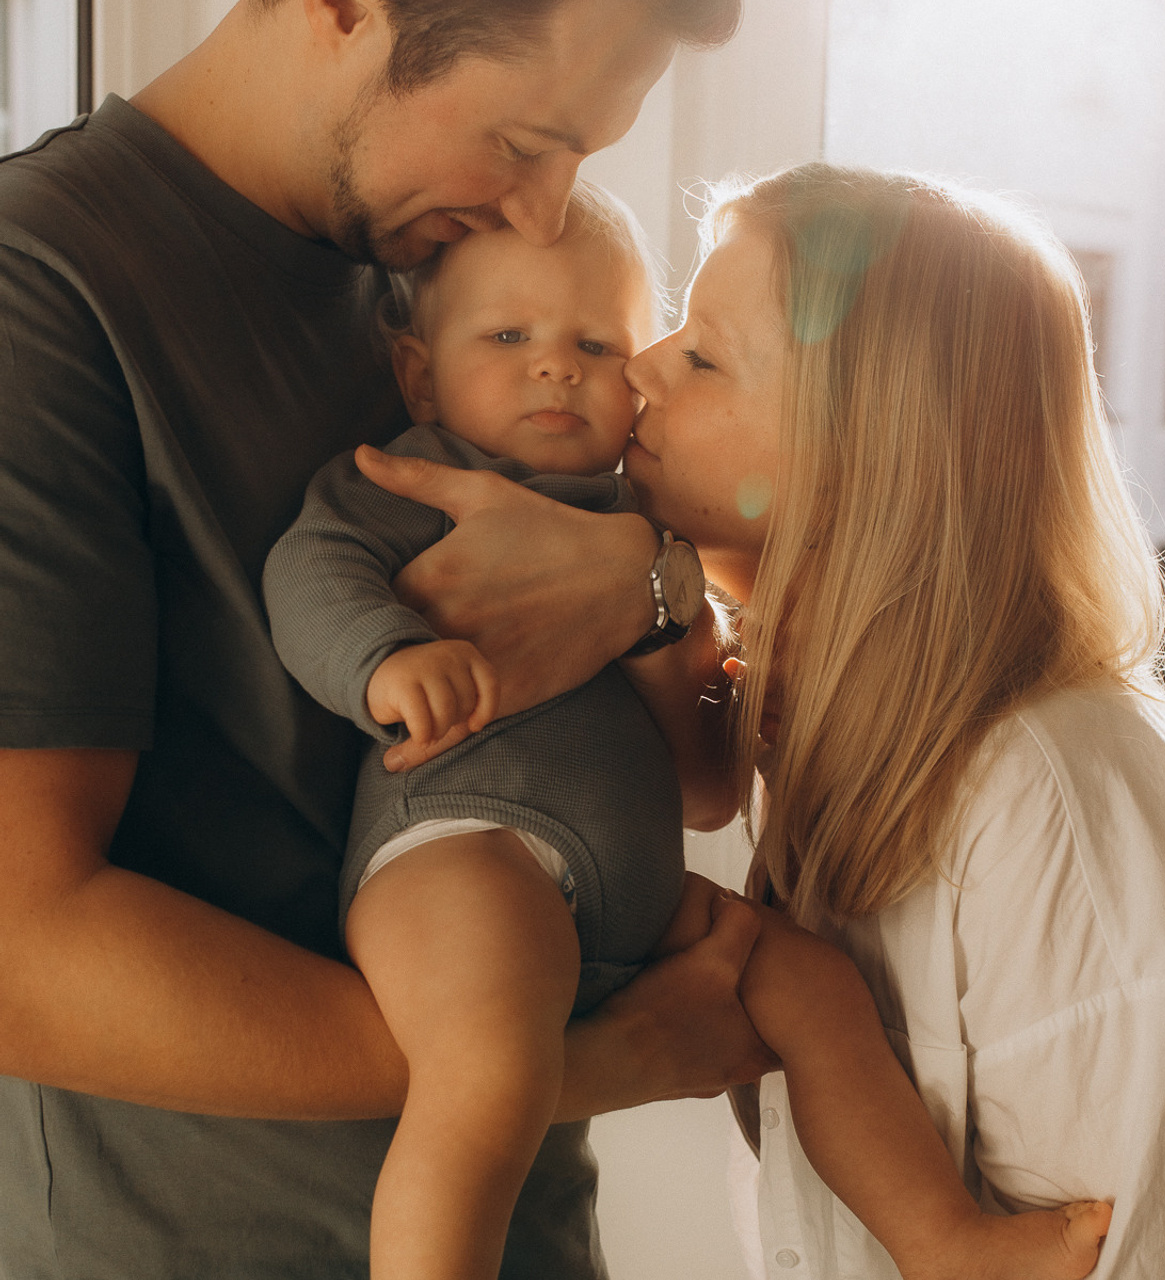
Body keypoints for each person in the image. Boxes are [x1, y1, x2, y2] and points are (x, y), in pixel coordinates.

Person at [358, 161, 1165, 1278]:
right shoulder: (830, 751)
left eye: (700, 355)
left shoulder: (1054, 816)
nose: (637, 366)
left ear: (863, 456)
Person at [0, 3, 771, 1278]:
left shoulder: (444, 276)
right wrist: (571, 1059)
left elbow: (683, 710)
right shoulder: (43, 289)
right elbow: (20, 947)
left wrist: (653, 583)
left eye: (580, 158)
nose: (542, 214)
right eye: (524, 142)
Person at [262, 180, 696, 1279]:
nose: (554, 363)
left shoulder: (644, 520)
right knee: (487, 1070)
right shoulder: (418, 477)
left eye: (595, 342)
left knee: (813, 990)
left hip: (621, 891)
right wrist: (384, 659)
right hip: (466, 846)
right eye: (508, 334)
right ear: (418, 369)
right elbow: (309, 571)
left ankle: (934, 1234)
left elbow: (709, 775)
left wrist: (675, 601)